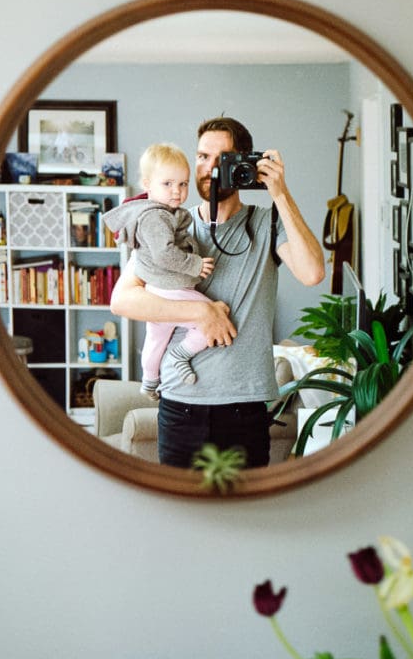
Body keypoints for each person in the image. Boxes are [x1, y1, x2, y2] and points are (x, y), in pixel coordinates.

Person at [110, 116, 325, 469]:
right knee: (184, 519)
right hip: (180, 406)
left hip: (246, 408)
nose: (210, 168)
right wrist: (201, 313)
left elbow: (313, 272)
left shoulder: (266, 223)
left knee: (246, 520)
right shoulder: (168, 222)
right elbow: (122, 300)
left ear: (246, 164)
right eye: (202, 157)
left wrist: (280, 193)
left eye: (222, 158)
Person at [102, 143, 216, 397]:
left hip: (157, 289)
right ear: (147, 184)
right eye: (168, 184)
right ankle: (180, 355)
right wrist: (195, 264)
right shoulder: (156, 216)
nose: (177, 191)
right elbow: (164, 253)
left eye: (183, 184)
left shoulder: (159, 212)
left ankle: (150, 381)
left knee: (155, 340)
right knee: (213, 319)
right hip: (171, 289)